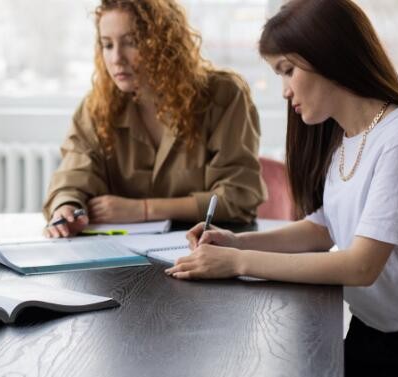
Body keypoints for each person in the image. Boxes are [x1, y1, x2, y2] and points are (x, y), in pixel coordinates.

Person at [166, 0, 398, 377]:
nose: (286, 91)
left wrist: (237, 262)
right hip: (372, 332)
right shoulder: (349, 138)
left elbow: (360, 266)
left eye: (288, 71)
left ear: (329, 56)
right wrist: (237, 241)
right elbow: (325, 228)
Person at [42, 0, 266, 238]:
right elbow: (73, 177)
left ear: (165, 43)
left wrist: (143, 209)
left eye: (131, 42)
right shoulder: (97, 107)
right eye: (107, 45)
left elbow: (238, 197)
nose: (116, 58)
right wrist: (66, 208)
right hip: (120, 261)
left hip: (205, 251)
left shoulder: (224, 95)